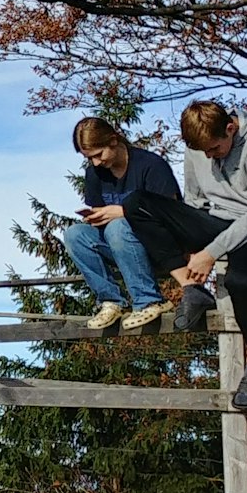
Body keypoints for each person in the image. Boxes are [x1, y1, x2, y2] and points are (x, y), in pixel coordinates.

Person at [126, 99, 247, 412]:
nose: (209, 156)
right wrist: (191, 241)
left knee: (240, 280)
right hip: (221, 220)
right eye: (203, 151)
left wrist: (211, 252)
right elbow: (195, 201)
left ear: (230, 127)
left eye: (215, 149)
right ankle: (192, 289)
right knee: (137, 204)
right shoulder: (197, 148)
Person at [62, 116, 182, 334]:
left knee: (118, 227)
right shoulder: (94, 173)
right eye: (90, 158)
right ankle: (111, 301)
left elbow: (173, 213)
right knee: (74, 234)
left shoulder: (151, 165)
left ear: (114, 141)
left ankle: (148, 301)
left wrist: (122, 213)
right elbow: (100, 217)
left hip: (160, 247)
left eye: (99, 155)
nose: (97, 162)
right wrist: (96, 217)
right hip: (120, 246)